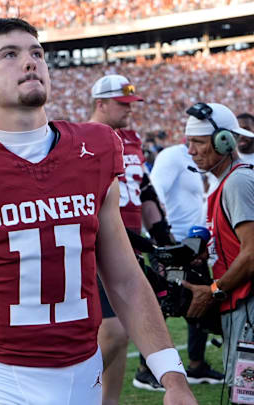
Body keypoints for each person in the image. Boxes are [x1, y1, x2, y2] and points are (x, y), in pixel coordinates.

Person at [0, 18, 196, 405]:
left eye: (36, 53)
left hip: (83, 370)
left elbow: (125, 278)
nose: (30, 62)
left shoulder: (93, 149)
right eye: (10, 54)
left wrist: (172, 377)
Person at [182, 102, 254, 405]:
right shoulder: (231, 180)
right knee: (250, 394)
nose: (191, 150)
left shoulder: (237, 181)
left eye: (198, 142)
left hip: (252, 302)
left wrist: (213, 290)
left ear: (224, 141)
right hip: (246, 301)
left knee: (252, 397)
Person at [88, 73, 176, 400]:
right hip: (101, 243)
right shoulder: (85, 138)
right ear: (101, 104)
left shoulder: (132, 139)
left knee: (123, 334)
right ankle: (70, 389)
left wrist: (162, 238)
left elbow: (144, 189)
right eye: (122, 104)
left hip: (131, 242)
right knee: (114, 330)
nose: (129, 110)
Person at [149, 125, 225, 390]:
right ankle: (148, 368)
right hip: (174, 244)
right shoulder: (171, 156)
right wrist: (165, 240)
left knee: (198, 302)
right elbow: (154, 193)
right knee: (165, 304)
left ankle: (196, 364)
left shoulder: (198, 161)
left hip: (194, 245)